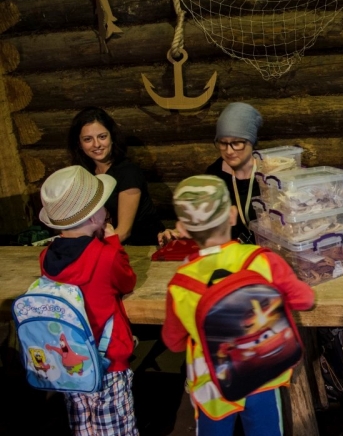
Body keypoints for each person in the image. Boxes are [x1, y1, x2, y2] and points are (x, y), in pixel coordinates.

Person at [161, 175, 315, 435]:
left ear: (182, 229)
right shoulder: (262, 260)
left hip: (212, 383)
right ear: (232, 215)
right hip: (261, 374)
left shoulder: (179, 284)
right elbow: (304, 299)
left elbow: (173, 342)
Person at [38, 165, 139, 435]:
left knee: (83, 426)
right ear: (95, 216)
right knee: (117, 428)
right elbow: (127, 281)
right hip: (108, 361)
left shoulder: (46, 257)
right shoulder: (106, 256)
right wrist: (113, 242)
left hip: (70, 363)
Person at [68, 107, 165, 245]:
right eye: (88, 139)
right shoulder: (85, 175)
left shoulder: (128, 172)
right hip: (111, 246)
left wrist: (90, 252)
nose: (96, 144)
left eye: (102, 137)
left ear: (112, 138)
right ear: (79, 144)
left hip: (143, 248)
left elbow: (124, 232)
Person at [206, 102, 263, 244]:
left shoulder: (268, 175)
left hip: (267, 253)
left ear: (252, 142)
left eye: (236, 143)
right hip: (231, 252)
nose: (229, 151)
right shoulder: (214, 175)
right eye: (223, 143)